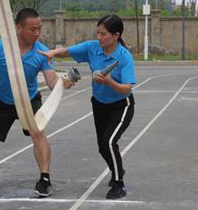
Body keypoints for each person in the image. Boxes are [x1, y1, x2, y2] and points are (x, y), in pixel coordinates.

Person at [0, 8, 73, 197]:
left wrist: (62, 84)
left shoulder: (42, 52)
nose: (37, 33)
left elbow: (52, 82)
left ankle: (45, 179)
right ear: (19, 27)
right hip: (2, 102)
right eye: (32, 29)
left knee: (38, 134)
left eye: (39, 29)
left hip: (29, 101)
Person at [38, 14, 135, 199]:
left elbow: (127, 88)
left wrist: (108, 82)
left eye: (103, 34)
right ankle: (118, 170)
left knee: (109, 142)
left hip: (121, 106)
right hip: (99, 104)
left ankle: (118, 184)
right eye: (97, 33)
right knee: (102, 146)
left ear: (116, 35)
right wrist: (53, 53)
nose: (99, 37)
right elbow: (68, 51)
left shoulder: (124, 57)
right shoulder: (92, 48)